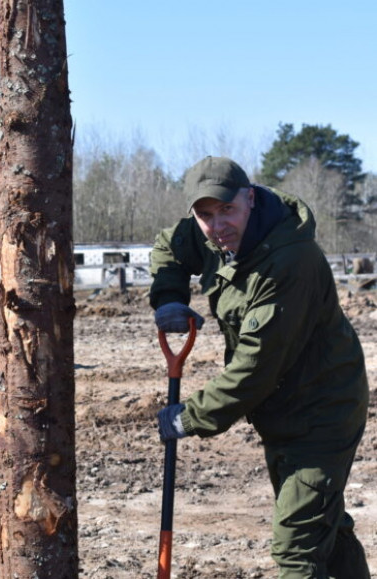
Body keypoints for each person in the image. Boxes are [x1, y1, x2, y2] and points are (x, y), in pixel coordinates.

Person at [149, 155, 370, 577]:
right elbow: (167, 245)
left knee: (296, 550)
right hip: (282, 410)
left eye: (227, 210)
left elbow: (257, 367)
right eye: (205, 215)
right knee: (325, 527)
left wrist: (190, 417)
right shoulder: (213, 238)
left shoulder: (290, 261)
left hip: (323, 411)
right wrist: (170, 297)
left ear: (249, 199)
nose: (218, 226)